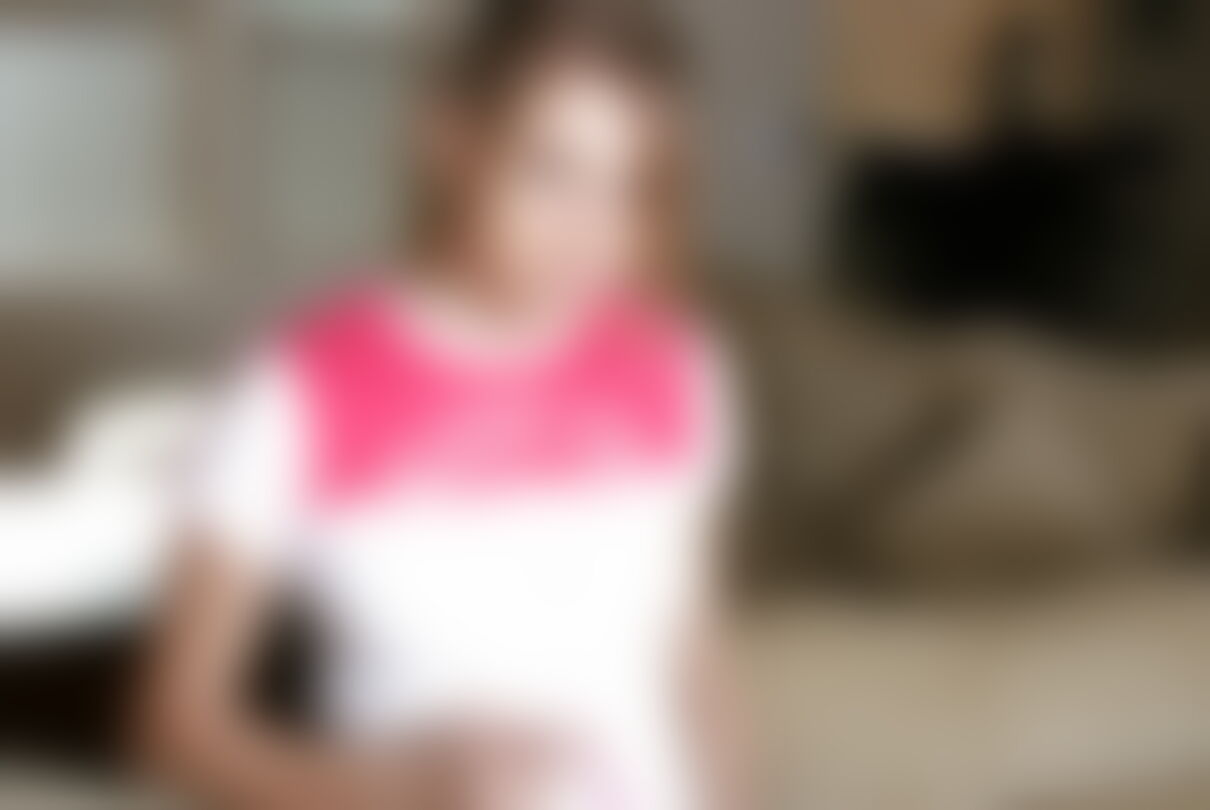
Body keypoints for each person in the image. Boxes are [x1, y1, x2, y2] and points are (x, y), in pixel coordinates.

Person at [137, 1, 743, 807]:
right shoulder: (296, 388)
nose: (589, 232)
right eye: (551, 171)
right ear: (449, 140)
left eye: (626, 187)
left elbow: (696, 659)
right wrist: (404, 784)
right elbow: (175, 730)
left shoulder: (673, 365)